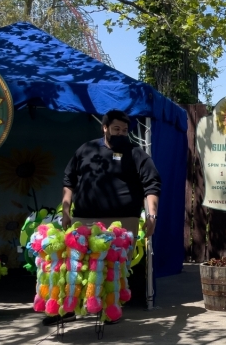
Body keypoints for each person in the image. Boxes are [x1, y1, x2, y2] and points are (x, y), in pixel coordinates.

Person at [52, 110, 161, 326]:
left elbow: (151, 185)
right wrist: (65, 211)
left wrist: (151, 215)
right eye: (116, 129)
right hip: (84, 221)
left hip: (122, 222)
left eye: (124, 130)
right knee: (78, 267)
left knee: (114, 270)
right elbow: (69, 180)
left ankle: (111, 310)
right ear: (105, 128)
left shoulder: (136, 153)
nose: (121, 133)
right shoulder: (87, 149)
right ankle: (69, 309)